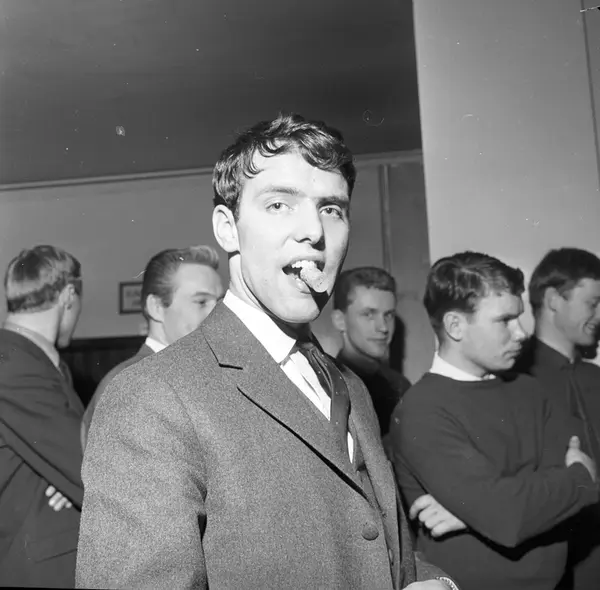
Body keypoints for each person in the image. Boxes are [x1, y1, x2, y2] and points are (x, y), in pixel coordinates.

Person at [76, 113, 457, 589]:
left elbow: (379, 547)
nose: (313, 231)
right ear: (227, 229)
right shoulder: (149, 395)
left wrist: (435, 582)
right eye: (279, 204)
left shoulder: (352, 386)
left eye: (332, 209)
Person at [389, 251, 600, 590]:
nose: (521, 333)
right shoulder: (420, 410)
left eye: (519, 317)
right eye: (505, 320)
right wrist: (578, 479)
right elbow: (509, 517)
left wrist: (475, 512)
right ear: (455, 326)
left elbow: (507, 508)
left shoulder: (530, 389)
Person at [81, 244, 224, 450]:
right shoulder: (130, 386)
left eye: (219, 303)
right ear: (156, 308)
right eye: (201, 302)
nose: (218, 315)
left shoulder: (201, 375)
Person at [0, 245, 85, 587]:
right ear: (68, 296)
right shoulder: (14, 364)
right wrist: (73, 476)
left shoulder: (30, 360)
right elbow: (87, 467)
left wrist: (66, 476)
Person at [518, 247, 600, 590]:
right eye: (592, 303)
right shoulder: (513, 377)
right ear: (553, 300)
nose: (599, 315)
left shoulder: (595, 378)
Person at [332, 266, 411, 436]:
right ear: (340, 320)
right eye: (368, 314)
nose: (383, 327)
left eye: (388, 315)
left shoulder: (400, 386)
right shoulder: (330, 386)